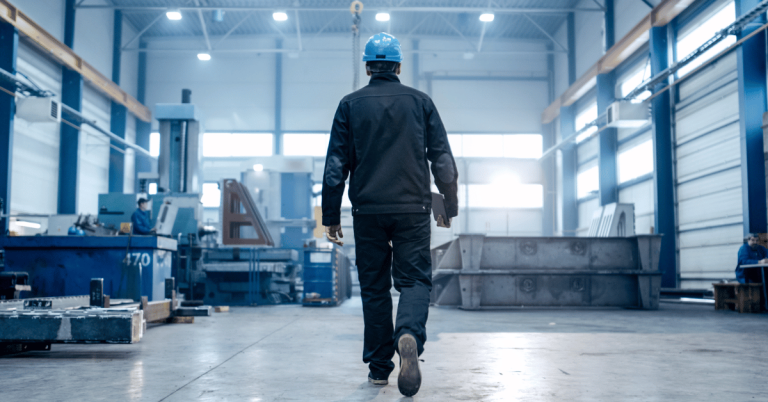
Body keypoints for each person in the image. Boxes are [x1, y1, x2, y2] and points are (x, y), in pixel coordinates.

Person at [321, 32, 459, 397]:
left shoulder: (349, 104)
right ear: (398, 66)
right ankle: (409, 333)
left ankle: (380, 369)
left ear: (367, 66)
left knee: (374, 287)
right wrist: (450, 203)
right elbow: (442, 159)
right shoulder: (420, 102)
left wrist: (330, 215)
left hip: (367, 210)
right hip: (413, 208)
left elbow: (336, 164)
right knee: (414, 281)